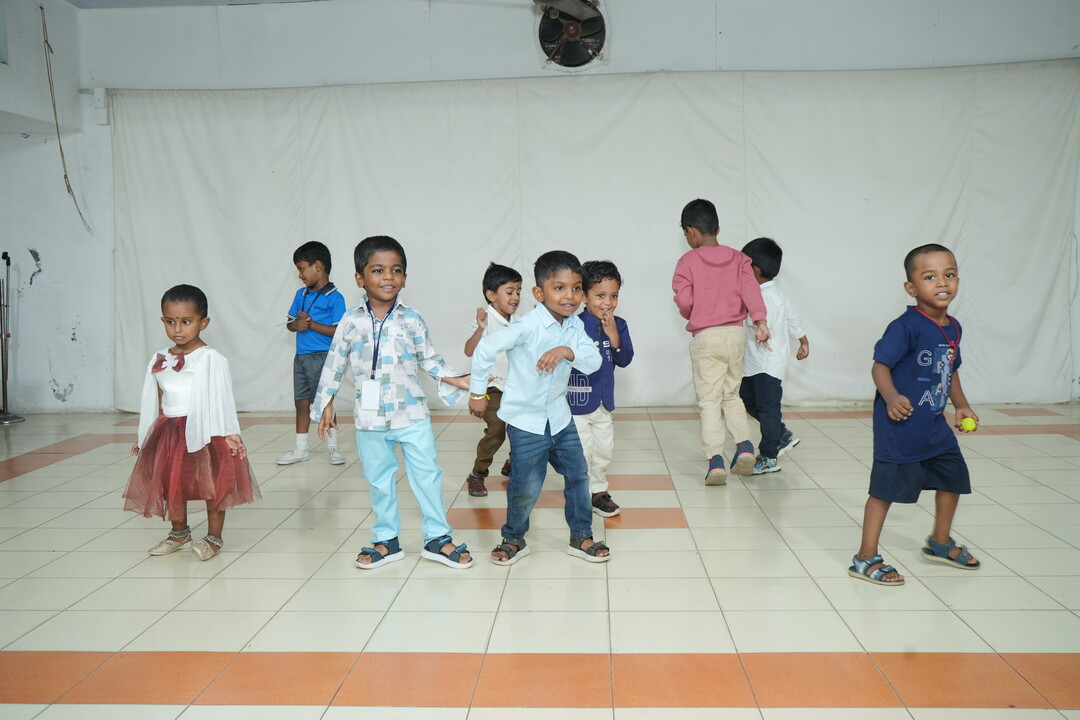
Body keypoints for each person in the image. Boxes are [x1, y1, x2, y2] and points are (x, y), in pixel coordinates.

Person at [312, 235, 475, 570]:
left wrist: (455, 378)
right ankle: (387, 539)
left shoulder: (412, 319)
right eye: (378, 270)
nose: (388, 277)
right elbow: (334, 363)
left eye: (396, 270)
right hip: (369, 417)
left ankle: (437, 537)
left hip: (412, 413)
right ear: (360, 278)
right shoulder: (350, 321)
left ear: (404, 277)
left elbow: (429, 358)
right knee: (379, 478)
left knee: (427, 475)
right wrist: (326, 402)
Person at [849, 243, 981, 586]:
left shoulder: (954, 327)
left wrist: (961, 404)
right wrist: (891, 396)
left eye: (949, 274)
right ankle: (865, 557)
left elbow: (950, 370)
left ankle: (939, 542)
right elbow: (880, 367)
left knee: (953, 479)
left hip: (934, 427)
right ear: (911, 288)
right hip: (900, 426)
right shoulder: (905, 326)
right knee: (884, 491)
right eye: (930, 276)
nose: (942, 282)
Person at [469, 250, 609, 565]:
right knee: (526, 485)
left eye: (576, 288)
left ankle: (581, 536)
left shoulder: (575, 326)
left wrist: (567, 351)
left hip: (560, 418)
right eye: (559, 288)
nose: (569, 296)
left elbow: (594, 361)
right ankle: (514, 539)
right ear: (539, 292)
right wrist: (477, 393)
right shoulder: (527, 326)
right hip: (526, 421)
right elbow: (485, 349)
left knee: (578, 475)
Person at [124, 284, 260, 560]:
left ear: (203, 322)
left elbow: (223, 398)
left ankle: (214, 537)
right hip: (169, 431)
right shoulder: (160, 358)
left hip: (206, 430)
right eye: (170, 321)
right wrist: (144, 435)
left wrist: (230, 433)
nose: (177, 329)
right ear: (163, 320)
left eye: (186, 322)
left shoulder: (210, 358)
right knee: (172, 482)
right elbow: (153, 397)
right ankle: (179, 533)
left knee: (212, 483)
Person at [672, 198, 770, 485]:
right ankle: (744, 445)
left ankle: (715, 459)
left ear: (690, 232)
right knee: (731, 394)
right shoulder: (739, 259)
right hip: (735, 335)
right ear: (717, 228)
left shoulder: (687, 261)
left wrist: (694, 311)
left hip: (707, 337)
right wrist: (760, 320)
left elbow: (684, 299)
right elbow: (751, 291)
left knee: (709, 400)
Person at [567, 260, 634, 517]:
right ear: (584, 296)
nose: (608, 302)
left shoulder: (620, 325)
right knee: (582, 451)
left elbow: (624, 359)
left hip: (605, 404)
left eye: (613, 295)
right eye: (600, 295)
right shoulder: (572, 325)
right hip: (576, 404)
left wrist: (613, 334)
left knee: (604, 450)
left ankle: (599, 491)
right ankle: (581, 493)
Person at [739, 237, 808, 475]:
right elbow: (793, 318)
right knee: (746, 397)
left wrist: (803, 340)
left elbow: (782, 318)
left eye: (745, 266)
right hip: (754, 363)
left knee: (768, 410)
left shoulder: (766, 296)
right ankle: (780, 434)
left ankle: (769, 456)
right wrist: (803, 340)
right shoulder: (772, 293)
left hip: (768, 364)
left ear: (755, 270)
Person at [278, 241, 347, 466]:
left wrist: (311, 324)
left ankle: (333, 448)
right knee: (301, 403)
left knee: (326, 403)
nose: (300, 275)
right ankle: (301, 449)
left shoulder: (335, 298)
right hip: (301, 357)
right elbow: (290, 324)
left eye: (301, 269)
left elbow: (339, 332)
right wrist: (296, 325)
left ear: (318, 266)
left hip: (323, 357)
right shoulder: (301, 294)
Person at [463, 262, 523, 497]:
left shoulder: (519, 321)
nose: (515, 297)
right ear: (491, 295)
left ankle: (512, 463)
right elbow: (469, 350)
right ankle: (477, 474)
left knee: (523, 428)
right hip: (491, 386)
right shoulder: (485, 319)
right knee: (497, 429)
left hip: (515, 387)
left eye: (518, 291)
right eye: (510, 292)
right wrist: (480, 329)